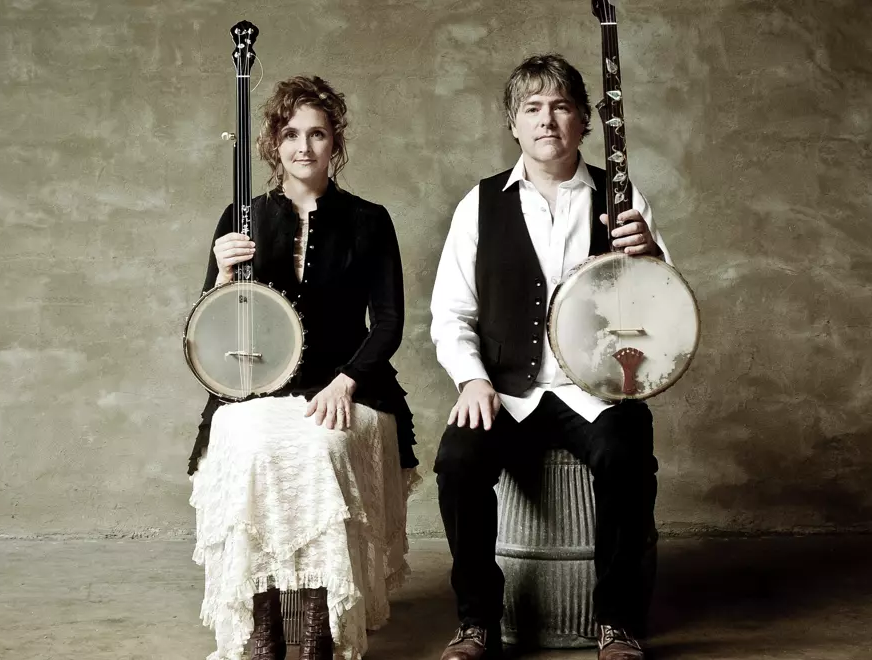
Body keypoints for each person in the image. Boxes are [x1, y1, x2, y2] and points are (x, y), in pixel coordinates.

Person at [430, 54, 671, 660]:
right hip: (507, 391)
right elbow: (451, 314)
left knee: (628, 450)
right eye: (532, 108)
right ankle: (476, 622)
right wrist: (471, 380)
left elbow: (663, 306)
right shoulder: (479, 204)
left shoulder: (623, 196)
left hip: (594, 392)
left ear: (584, 120)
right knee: (457, 461)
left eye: (561, 106)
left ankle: (617, 622)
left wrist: (651, 259)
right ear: (514, 124)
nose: (547, 120)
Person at [188, 75, 420, 660]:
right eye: (291, 133)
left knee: (322, 449)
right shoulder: (240, 217)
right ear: (272, 143)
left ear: (335, 142)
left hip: (350, 381)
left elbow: (389, 323)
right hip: (257, 388)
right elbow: (207, 328)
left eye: (317, 133)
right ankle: (264, 626)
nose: (304, 147)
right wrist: (220, 275)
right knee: (248, 447)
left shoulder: (371, 220)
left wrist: (348, 379)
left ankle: (319, 626)